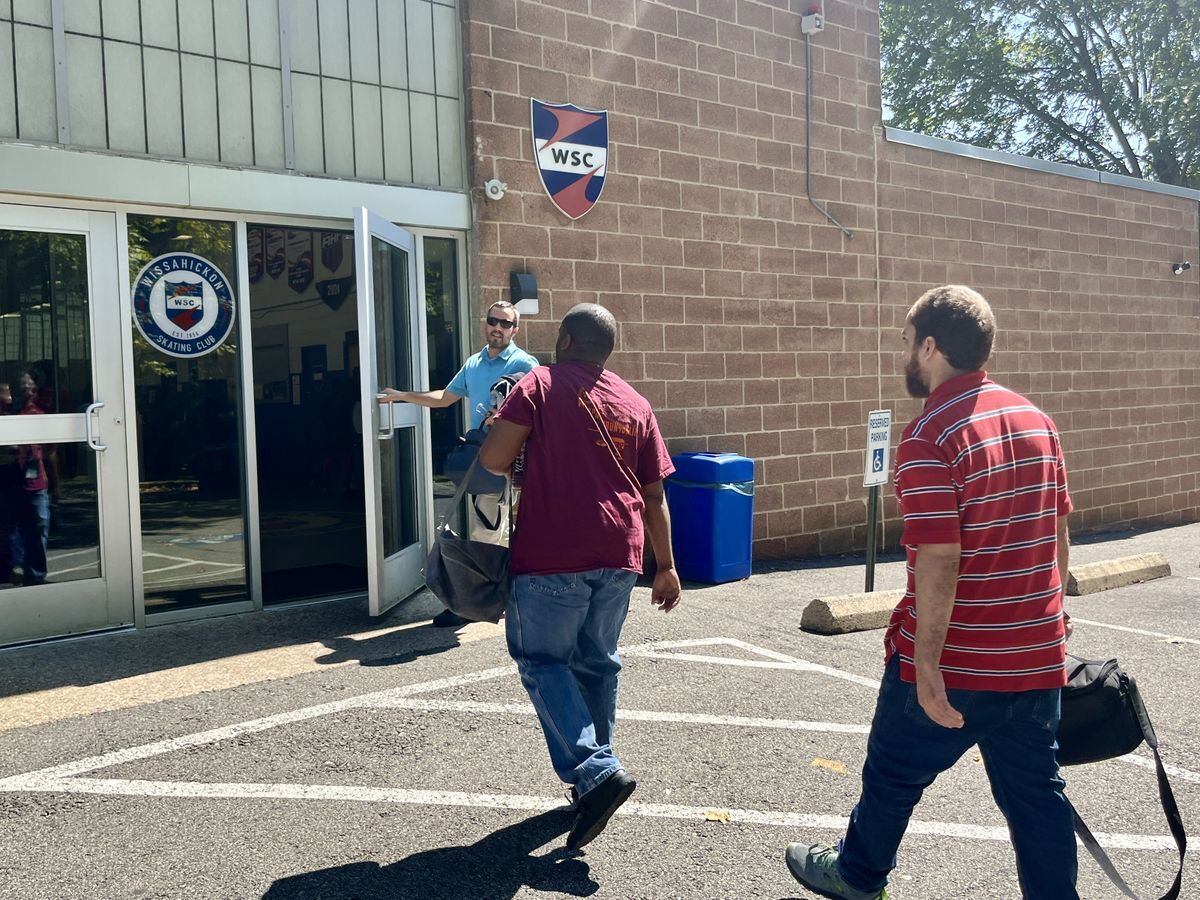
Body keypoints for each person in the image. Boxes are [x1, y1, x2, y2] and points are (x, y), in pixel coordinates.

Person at [785, 285, 1077, 900]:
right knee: (1037, 797)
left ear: (932, 346)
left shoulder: (928, 438)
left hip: (958, 659)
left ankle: (860, 875)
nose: (904, 355)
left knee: (892, 775)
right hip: (1034, 659)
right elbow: (1057, 530)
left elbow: (941, 559)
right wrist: (1054, 619)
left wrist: (924, 664)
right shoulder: (1038, 422)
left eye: (907, 342)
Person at [478, 303, 682, 851]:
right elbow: (655, 493)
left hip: (552, 551)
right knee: (596, 663)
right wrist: (667, 567)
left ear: (565, 338)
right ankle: (595, 781)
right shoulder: (635, 402)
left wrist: (501, 429)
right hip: (622, 552)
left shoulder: (538, 384)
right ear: (608, 348)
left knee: (543, 661)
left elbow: (496, 461)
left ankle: (595, 772)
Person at [382, 300, 537, 627]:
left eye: (505, 324)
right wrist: (402, 396)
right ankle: (496, 599)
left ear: (515, 330)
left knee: (489, 531)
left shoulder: (525, 363)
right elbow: (445, 397)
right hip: (483, 459)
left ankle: (473, 605)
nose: (497, 327)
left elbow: (539, 410)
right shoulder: (474, 364)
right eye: (493, 320)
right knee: (492, 530)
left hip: (512, 461)